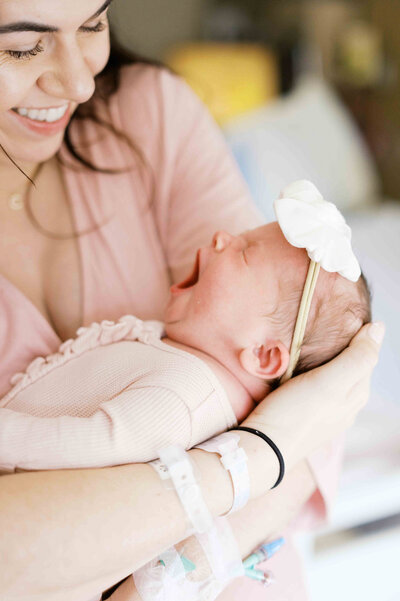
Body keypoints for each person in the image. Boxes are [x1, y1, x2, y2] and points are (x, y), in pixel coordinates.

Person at [0, 1, 384, 600]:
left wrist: (174, 576)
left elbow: (319, 391)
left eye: (93, 24)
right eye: (22, 47)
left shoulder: (148, 114)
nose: (79, 82)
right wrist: (255, 460)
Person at [0, 213, 371, 473]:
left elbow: (85, 447)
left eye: (244, 252)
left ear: (263, 354)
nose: (221, 236)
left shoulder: (186, 398)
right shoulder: (185, 358)